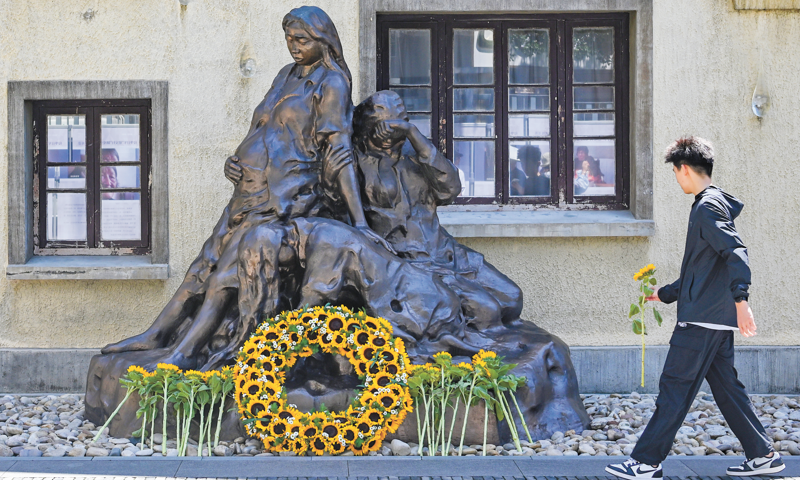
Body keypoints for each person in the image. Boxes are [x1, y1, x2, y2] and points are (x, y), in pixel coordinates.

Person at [101, 6, 387, 370]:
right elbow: (263, 129)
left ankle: (186, 351)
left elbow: (339, 151)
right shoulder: (286, 74)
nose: (293, 46)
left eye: (301, 39)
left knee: (226, 273)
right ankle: (158, 332)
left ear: (323, 40)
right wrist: (234, 161)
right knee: (204, 264)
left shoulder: (332, 83)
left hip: (285, 198)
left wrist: (360, 223)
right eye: (288, 38)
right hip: (248, 190)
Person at [605, 136, 784, 479]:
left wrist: (742, 300)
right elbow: (703, 267)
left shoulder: (707, 207)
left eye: (675, 172)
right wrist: (667, 293)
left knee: (675, 387)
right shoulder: (711, 205)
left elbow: (735, 252)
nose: (676, 179)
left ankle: (645, 462)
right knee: (728, 389)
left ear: (684, 169)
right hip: (713, 320)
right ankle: (763, 455)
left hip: (701, 321)